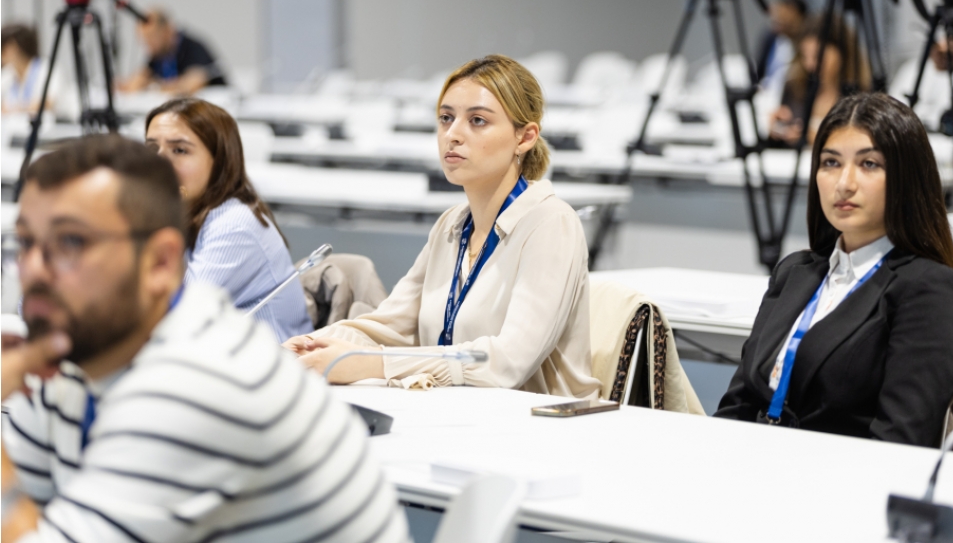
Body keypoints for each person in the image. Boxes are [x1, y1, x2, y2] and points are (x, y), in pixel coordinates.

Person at [1, 134, 408, 542]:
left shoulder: (198, 381)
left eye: (71, 242)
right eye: (26, 242)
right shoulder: (77, 352)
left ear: (160, 262)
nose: (33, 268)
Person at [285, 55, 601, 398]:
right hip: (458, 412)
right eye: (446, 118)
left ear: (524, 138)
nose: (452, 134)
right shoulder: (452, 225)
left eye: (477, 121)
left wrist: (374, 364)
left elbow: (507, 362)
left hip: (539, 422)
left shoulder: (551, 223)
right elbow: (386, 327)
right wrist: (310, 345)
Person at [716, 93, 953, 447]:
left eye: (869, 164)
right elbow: (738, 402)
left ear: (906, 177)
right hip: (749, 462)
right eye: (831, 162)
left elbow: (901, 442)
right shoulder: (795, 271)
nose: (844, 183)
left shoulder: (926, 288)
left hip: (840, 476)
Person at [145, 98, 312, 342]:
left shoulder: (234, 224)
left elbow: (176, 314)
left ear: (219, 162)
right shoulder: (186, 213)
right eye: (152, 149)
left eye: (179, 150)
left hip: (274, 358)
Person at [768, 16, 870, 146]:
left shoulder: (862, 96)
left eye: (818, 56)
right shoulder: (794, 88)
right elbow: (782, 145)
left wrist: (815, 138)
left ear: (843, 52)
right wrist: (776, 131)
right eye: (805, 56)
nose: (810, 65)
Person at [118, 9, 226, 94]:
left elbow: (192, 84)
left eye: (152, 39)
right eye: (146, 41)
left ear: (167, 31)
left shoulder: (193, 47)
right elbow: (142, 77)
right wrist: (129, 84)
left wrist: (155, 85)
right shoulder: (158, 54)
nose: (149, 47)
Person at [1, 24, 75, 121]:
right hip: (19, 128)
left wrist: (15, 109)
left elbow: (48, 103)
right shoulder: (8, 74)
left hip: (57, 126)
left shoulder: (47, 68)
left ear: (13, 47)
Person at [755, 0, 809, 93]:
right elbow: (759, 69)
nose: (778, 18)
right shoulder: (771, 38)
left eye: (784, 14)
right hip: (767, 93)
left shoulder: (807, 43)